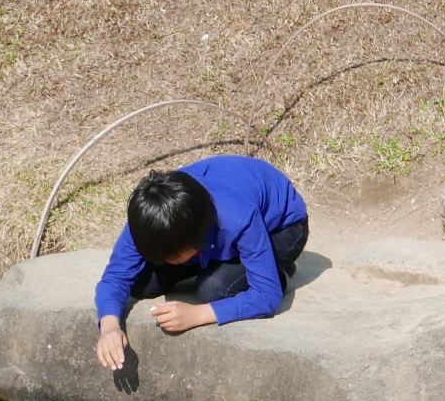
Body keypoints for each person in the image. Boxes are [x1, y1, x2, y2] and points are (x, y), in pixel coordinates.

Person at [93, 155, 309, 370]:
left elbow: (266, 296)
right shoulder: (149, 217)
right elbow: (115, 277)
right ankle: (224, 265)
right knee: (141, 282)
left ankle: (278, 273)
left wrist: (197, 315)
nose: (164, 261)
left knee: (213, 289)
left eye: (172, 256)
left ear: (196, 243)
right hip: (206, 233)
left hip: (282, 228)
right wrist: (109, 326)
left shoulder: (236, 216)